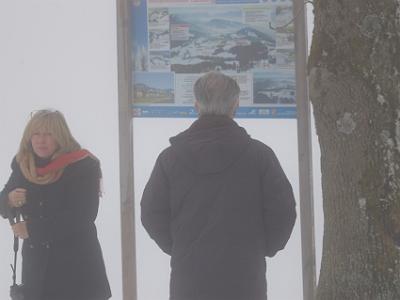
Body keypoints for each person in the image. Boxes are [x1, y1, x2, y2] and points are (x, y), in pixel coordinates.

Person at [141, 71, 297, 300]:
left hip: (189, 279)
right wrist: (262, 248)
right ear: (235, 105)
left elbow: (151, 213)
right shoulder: (260, 156)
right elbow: (282, 212)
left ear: (196, 105)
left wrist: (180, 247)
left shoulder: (170, 159)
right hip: (245, 279)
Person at [0, 110, 111, 300]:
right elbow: (2, 203)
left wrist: (32, 230)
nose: (41, 140)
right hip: (37, 271)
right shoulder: (24, 164)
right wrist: (9, 199)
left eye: (48, 134)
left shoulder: (82, 166)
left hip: (76, 267)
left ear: (60, 137)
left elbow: (83, 215)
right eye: (36, 134)